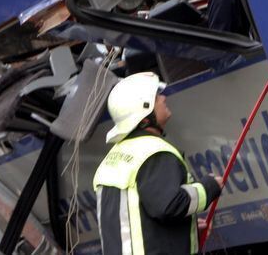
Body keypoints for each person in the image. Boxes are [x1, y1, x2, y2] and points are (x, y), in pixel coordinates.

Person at [94, 72, 222, 255]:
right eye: (155, 97)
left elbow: (138, 219)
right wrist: (209, 187)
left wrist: (186, 231)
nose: (163, 98)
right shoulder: (154, 152)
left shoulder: (116, 156)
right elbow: (169, 205)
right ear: (145, 117)